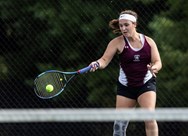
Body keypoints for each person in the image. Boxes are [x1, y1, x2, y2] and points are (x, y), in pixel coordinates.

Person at [89, 9, 162, 136]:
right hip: (126, 87)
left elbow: (158, 62)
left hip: (146, 84)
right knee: (119, 125)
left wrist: (154, 68)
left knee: (149, 117)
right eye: (121, 25)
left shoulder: (149, 42)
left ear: (134, 24)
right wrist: (96, 63)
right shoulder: (117, 42)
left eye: (126, 25)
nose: (123, 28)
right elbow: (104, 60)